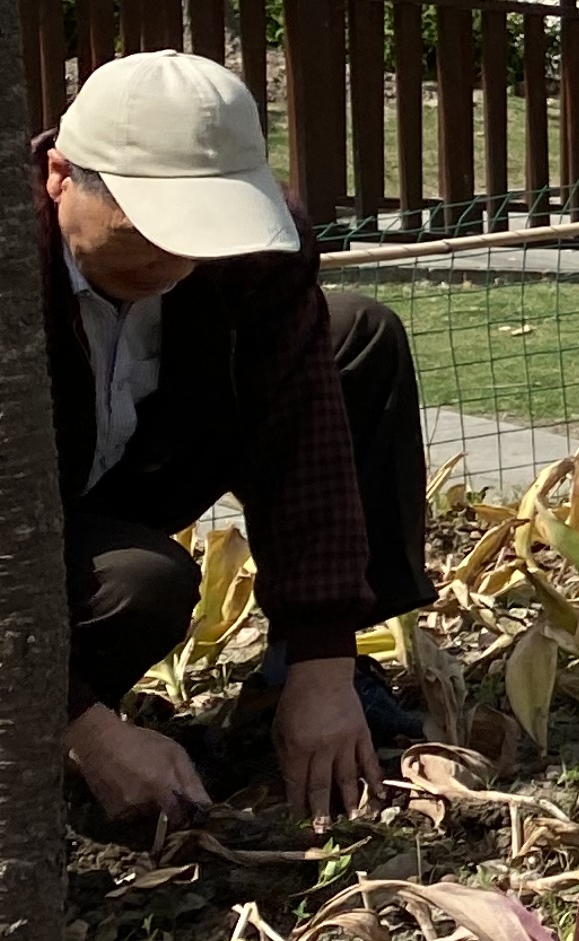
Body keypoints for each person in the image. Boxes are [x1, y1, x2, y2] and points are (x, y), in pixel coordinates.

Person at [41, 50, 435, 828]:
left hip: (142, 460)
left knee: (355, 333)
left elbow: (304, 440)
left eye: (200, 231)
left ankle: (304, 686)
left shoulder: (253, 252)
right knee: (139, 583)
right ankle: (44, 747)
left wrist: (323, 659)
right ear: (60, 175)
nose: (176, 258)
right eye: (148, 229)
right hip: (33, 525)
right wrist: (84, 725)